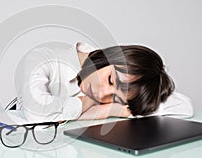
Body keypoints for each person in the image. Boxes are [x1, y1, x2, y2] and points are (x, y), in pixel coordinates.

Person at [15, 42, 193, 122]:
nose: (102, 94)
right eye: (110, 80)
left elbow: (184, 107)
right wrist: (92, 106)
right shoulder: (42, 57)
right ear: (108, 58)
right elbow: (36, 113)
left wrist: (109, 109)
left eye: (115, 97)